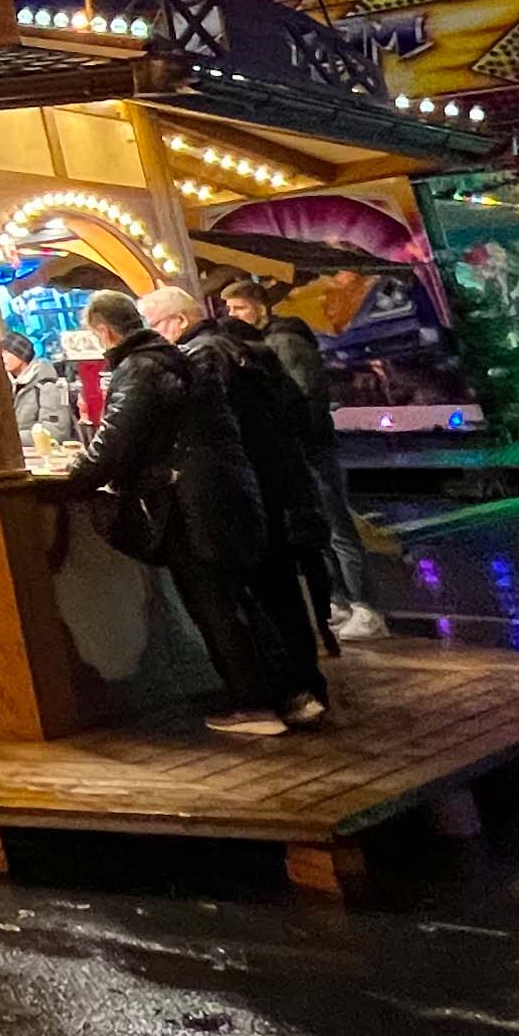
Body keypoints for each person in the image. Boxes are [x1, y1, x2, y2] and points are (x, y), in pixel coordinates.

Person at [63, 289, 302, 738]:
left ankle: (252, 703)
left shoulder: (139, 369)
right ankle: (288, 693)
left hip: (188, 502)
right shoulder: (175, 358)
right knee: (238, 598)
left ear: (104, 331)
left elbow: (113, 444)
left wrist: (72, 479)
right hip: (223, 490)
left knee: (212, 602)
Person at [165, 289, 332, 721]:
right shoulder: (256, 354)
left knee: (250, 597)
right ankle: (307, 687)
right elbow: (298, 415)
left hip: (245, 486)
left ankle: (282, 695)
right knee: (283, 591)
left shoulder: (200, 360)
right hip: (282, 480)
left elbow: (213, 428)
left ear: (177, 322)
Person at [223, 281, 381, 643]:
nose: (234, 316)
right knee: (319, 530)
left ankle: (366, 607)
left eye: (240, 309)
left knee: (337, 527)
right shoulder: (266, 344)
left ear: (260, 308)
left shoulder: (284, 342)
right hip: (302, 450)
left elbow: (305, 396)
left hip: (311, 449)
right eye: (230, 310)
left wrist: (292, 438)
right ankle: (339, 600)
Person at [4, 330, 79, 443]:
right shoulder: (11, 385)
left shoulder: (47, 385)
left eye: (6, 352)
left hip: (42, 457)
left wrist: (10, 438)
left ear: (21, 355)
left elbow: (56, 432)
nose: (1, 357)